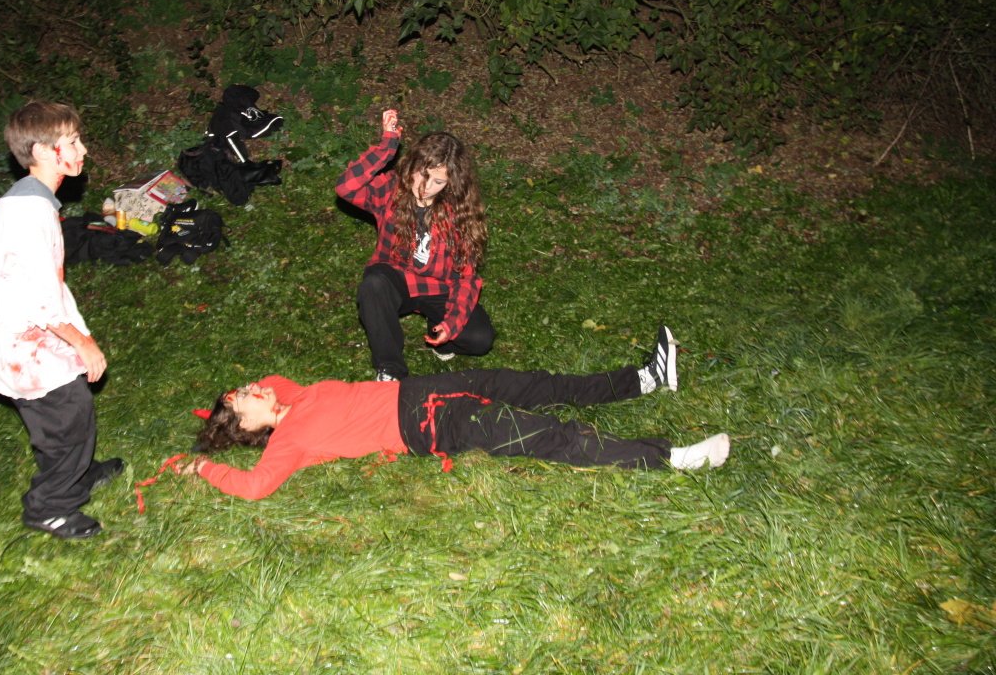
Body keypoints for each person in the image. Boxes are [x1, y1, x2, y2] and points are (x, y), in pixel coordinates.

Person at [182, 326, 729, 500]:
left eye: (247, 387)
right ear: (246, 423)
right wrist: (203, 464)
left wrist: (222, 408)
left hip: (427, 388)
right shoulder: (289, 441)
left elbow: (270, 382)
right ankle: (672, 458)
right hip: (431, 425)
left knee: (540, 386)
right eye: (245, 396)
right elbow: (254, 487)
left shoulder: (294, 396)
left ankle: (647, 377)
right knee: (546, 436)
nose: (255, 387)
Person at [0, 100, 124, 539]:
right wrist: (81, 342)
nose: (83, 150)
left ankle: (77, 473)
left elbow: (42, 284)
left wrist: (77, 332)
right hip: (8, 333)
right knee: (65, 413)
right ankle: (50, 507)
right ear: (44, 152)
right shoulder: (28, 213)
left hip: (19, 322)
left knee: (70, 406)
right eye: (73, 142)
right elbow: (35, 295)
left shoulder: (32, 201)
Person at [336, 108, 492, 381]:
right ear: (412, 166)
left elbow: (466, 278)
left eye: (438, 181)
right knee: (373, 285)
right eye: (422, 174)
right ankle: (390, 370)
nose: (425, 186)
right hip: (395, 277)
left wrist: (451, 323)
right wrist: (387, 146)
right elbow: (347, 187)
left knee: (480, 339)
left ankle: (437, 333)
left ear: (451, 183)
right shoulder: (392, 190)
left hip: (437, 287)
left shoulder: (459, 214)